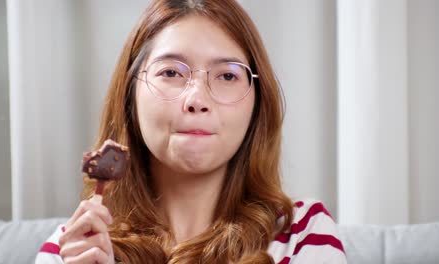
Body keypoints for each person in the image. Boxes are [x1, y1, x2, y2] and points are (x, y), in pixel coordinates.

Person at [36, 0, 347, 263]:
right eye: (171, 72)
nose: (197, 100)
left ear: (257, 105)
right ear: (129, 95)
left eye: (227, 75)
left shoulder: (304, 232)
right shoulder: (72, 249)